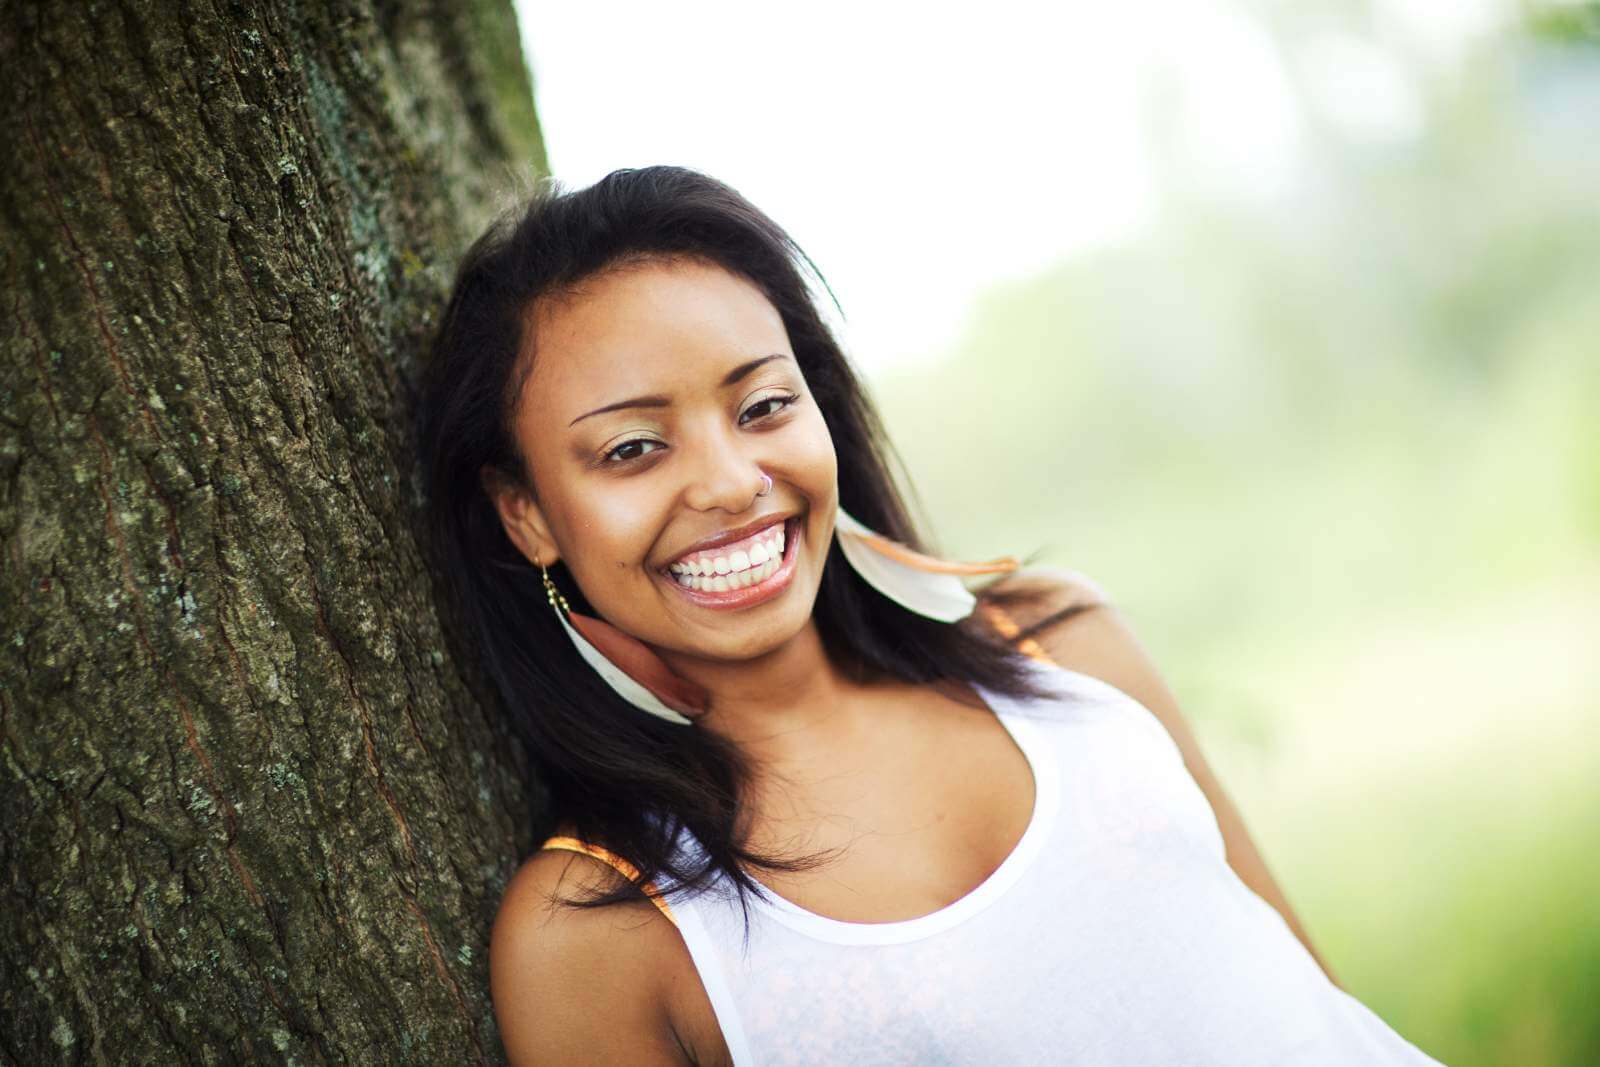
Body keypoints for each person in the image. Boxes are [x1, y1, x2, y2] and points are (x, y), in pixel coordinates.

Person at [413, 166, 1445, 1066]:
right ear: (527, 511)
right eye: (633, 447)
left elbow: (1321, 1007)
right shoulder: (597, 931)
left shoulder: (1061, 643)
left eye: (763, 405)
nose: (733, 482)